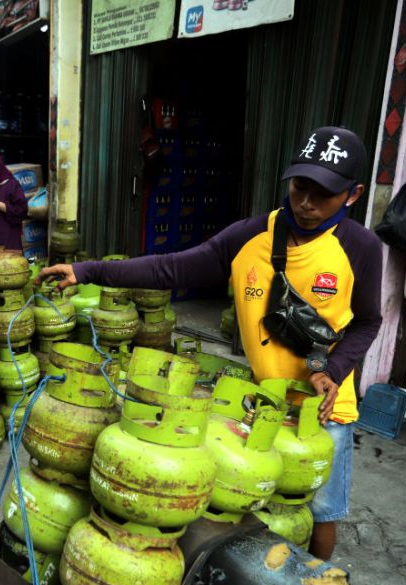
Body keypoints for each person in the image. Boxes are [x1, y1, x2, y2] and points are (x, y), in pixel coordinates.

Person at [38, 126, 384, 560]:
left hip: (322, 411)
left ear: (353, 195)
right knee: (252, 509)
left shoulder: (361, 247)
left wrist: (333, 373)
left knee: (320, 512)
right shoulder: (251, 236)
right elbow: (170, 270)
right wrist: (86, 270)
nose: (307, 203)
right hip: (258, 405)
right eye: (300, 187)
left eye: (324, 194)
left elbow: (368, 322)